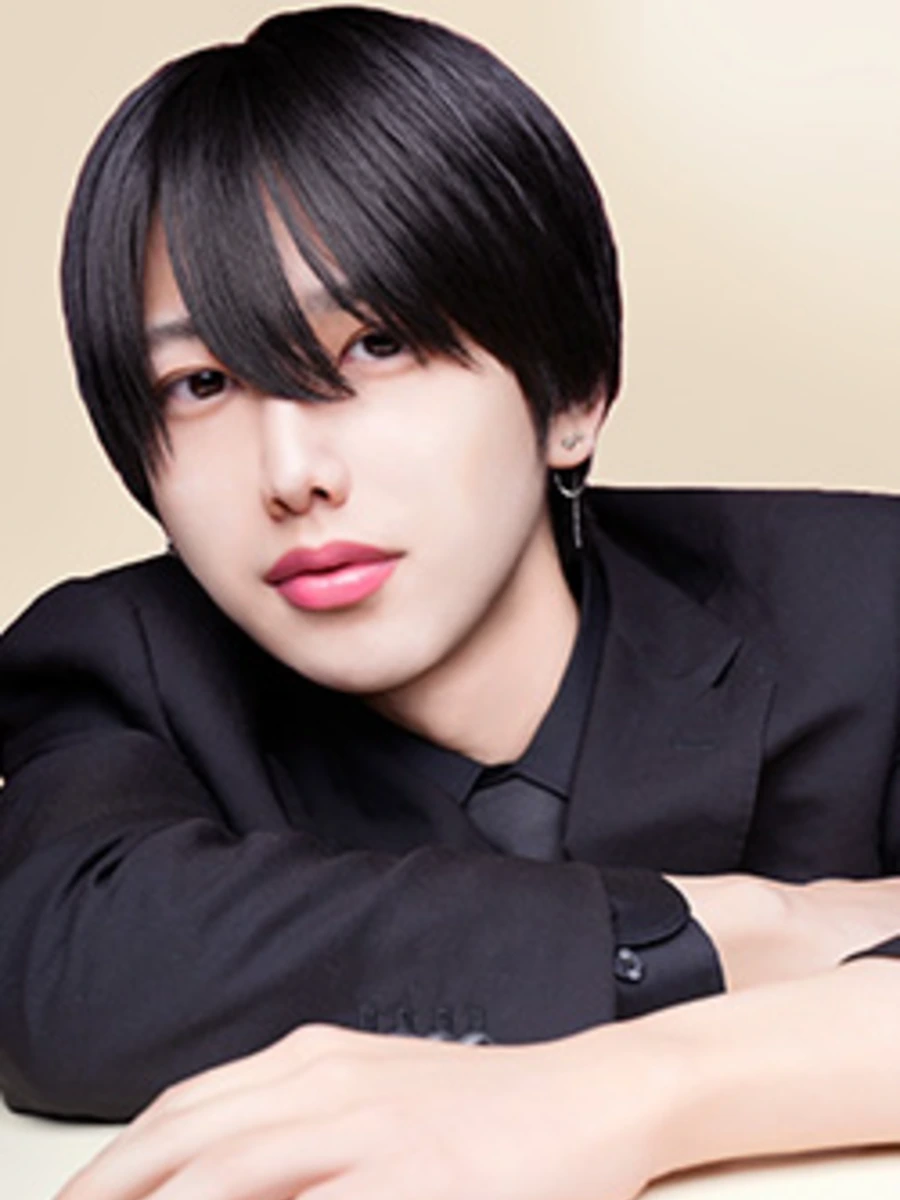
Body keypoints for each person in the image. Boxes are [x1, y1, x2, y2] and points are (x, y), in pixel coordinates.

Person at [1, 5, 900, 1198]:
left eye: (375, 345)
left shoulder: (872, 606)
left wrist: (626, 1094)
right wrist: (745, 932)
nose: (291, 473)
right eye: (201, 382)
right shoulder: (122, 662)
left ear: (570, 393)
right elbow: (65, 975)